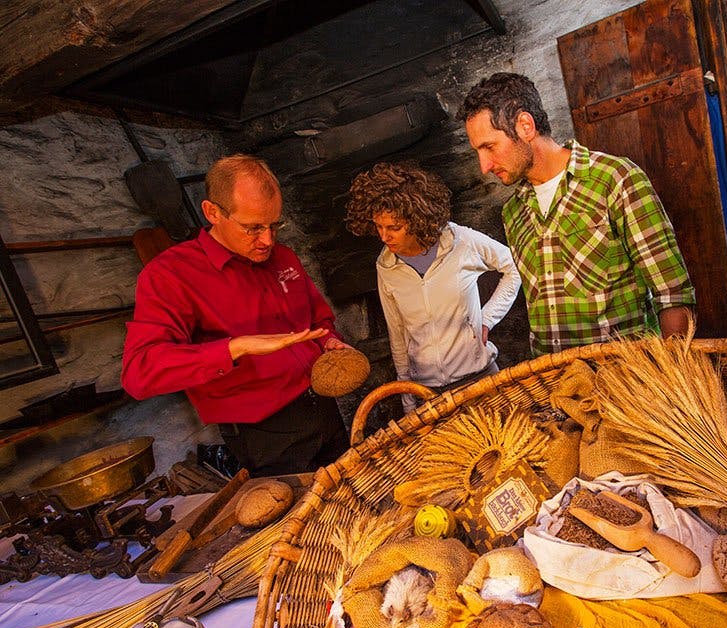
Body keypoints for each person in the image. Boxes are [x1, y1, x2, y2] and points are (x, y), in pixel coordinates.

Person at [121, 154, 352, 476]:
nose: (268, 240)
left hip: (323, 408)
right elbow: (140, 372)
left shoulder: (282, 257)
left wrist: (328, 341)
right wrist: (235, 347)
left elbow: (318, 319)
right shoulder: (171, 275)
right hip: (264, 432)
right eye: (252, 228)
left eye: (274, 225)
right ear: (212, 212)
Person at [457, 72, 696, 356]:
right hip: (559, 388)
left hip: (625, 382)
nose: (484, 166)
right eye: (478, 152)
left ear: (525, 126)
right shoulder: (513, 212)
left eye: (489, 147)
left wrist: (675, 375)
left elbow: (673, 295)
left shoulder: (615, 180)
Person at [346, 161, 521, 410]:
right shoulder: (385, 266)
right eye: (378, 226)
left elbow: (513, 267)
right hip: (428, 393)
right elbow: (397, 334)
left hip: (480, 379)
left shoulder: (461, 241)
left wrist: (487, 319)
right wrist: (408, 399)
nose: (384, 237)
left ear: (417, 219)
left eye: (394, 227)